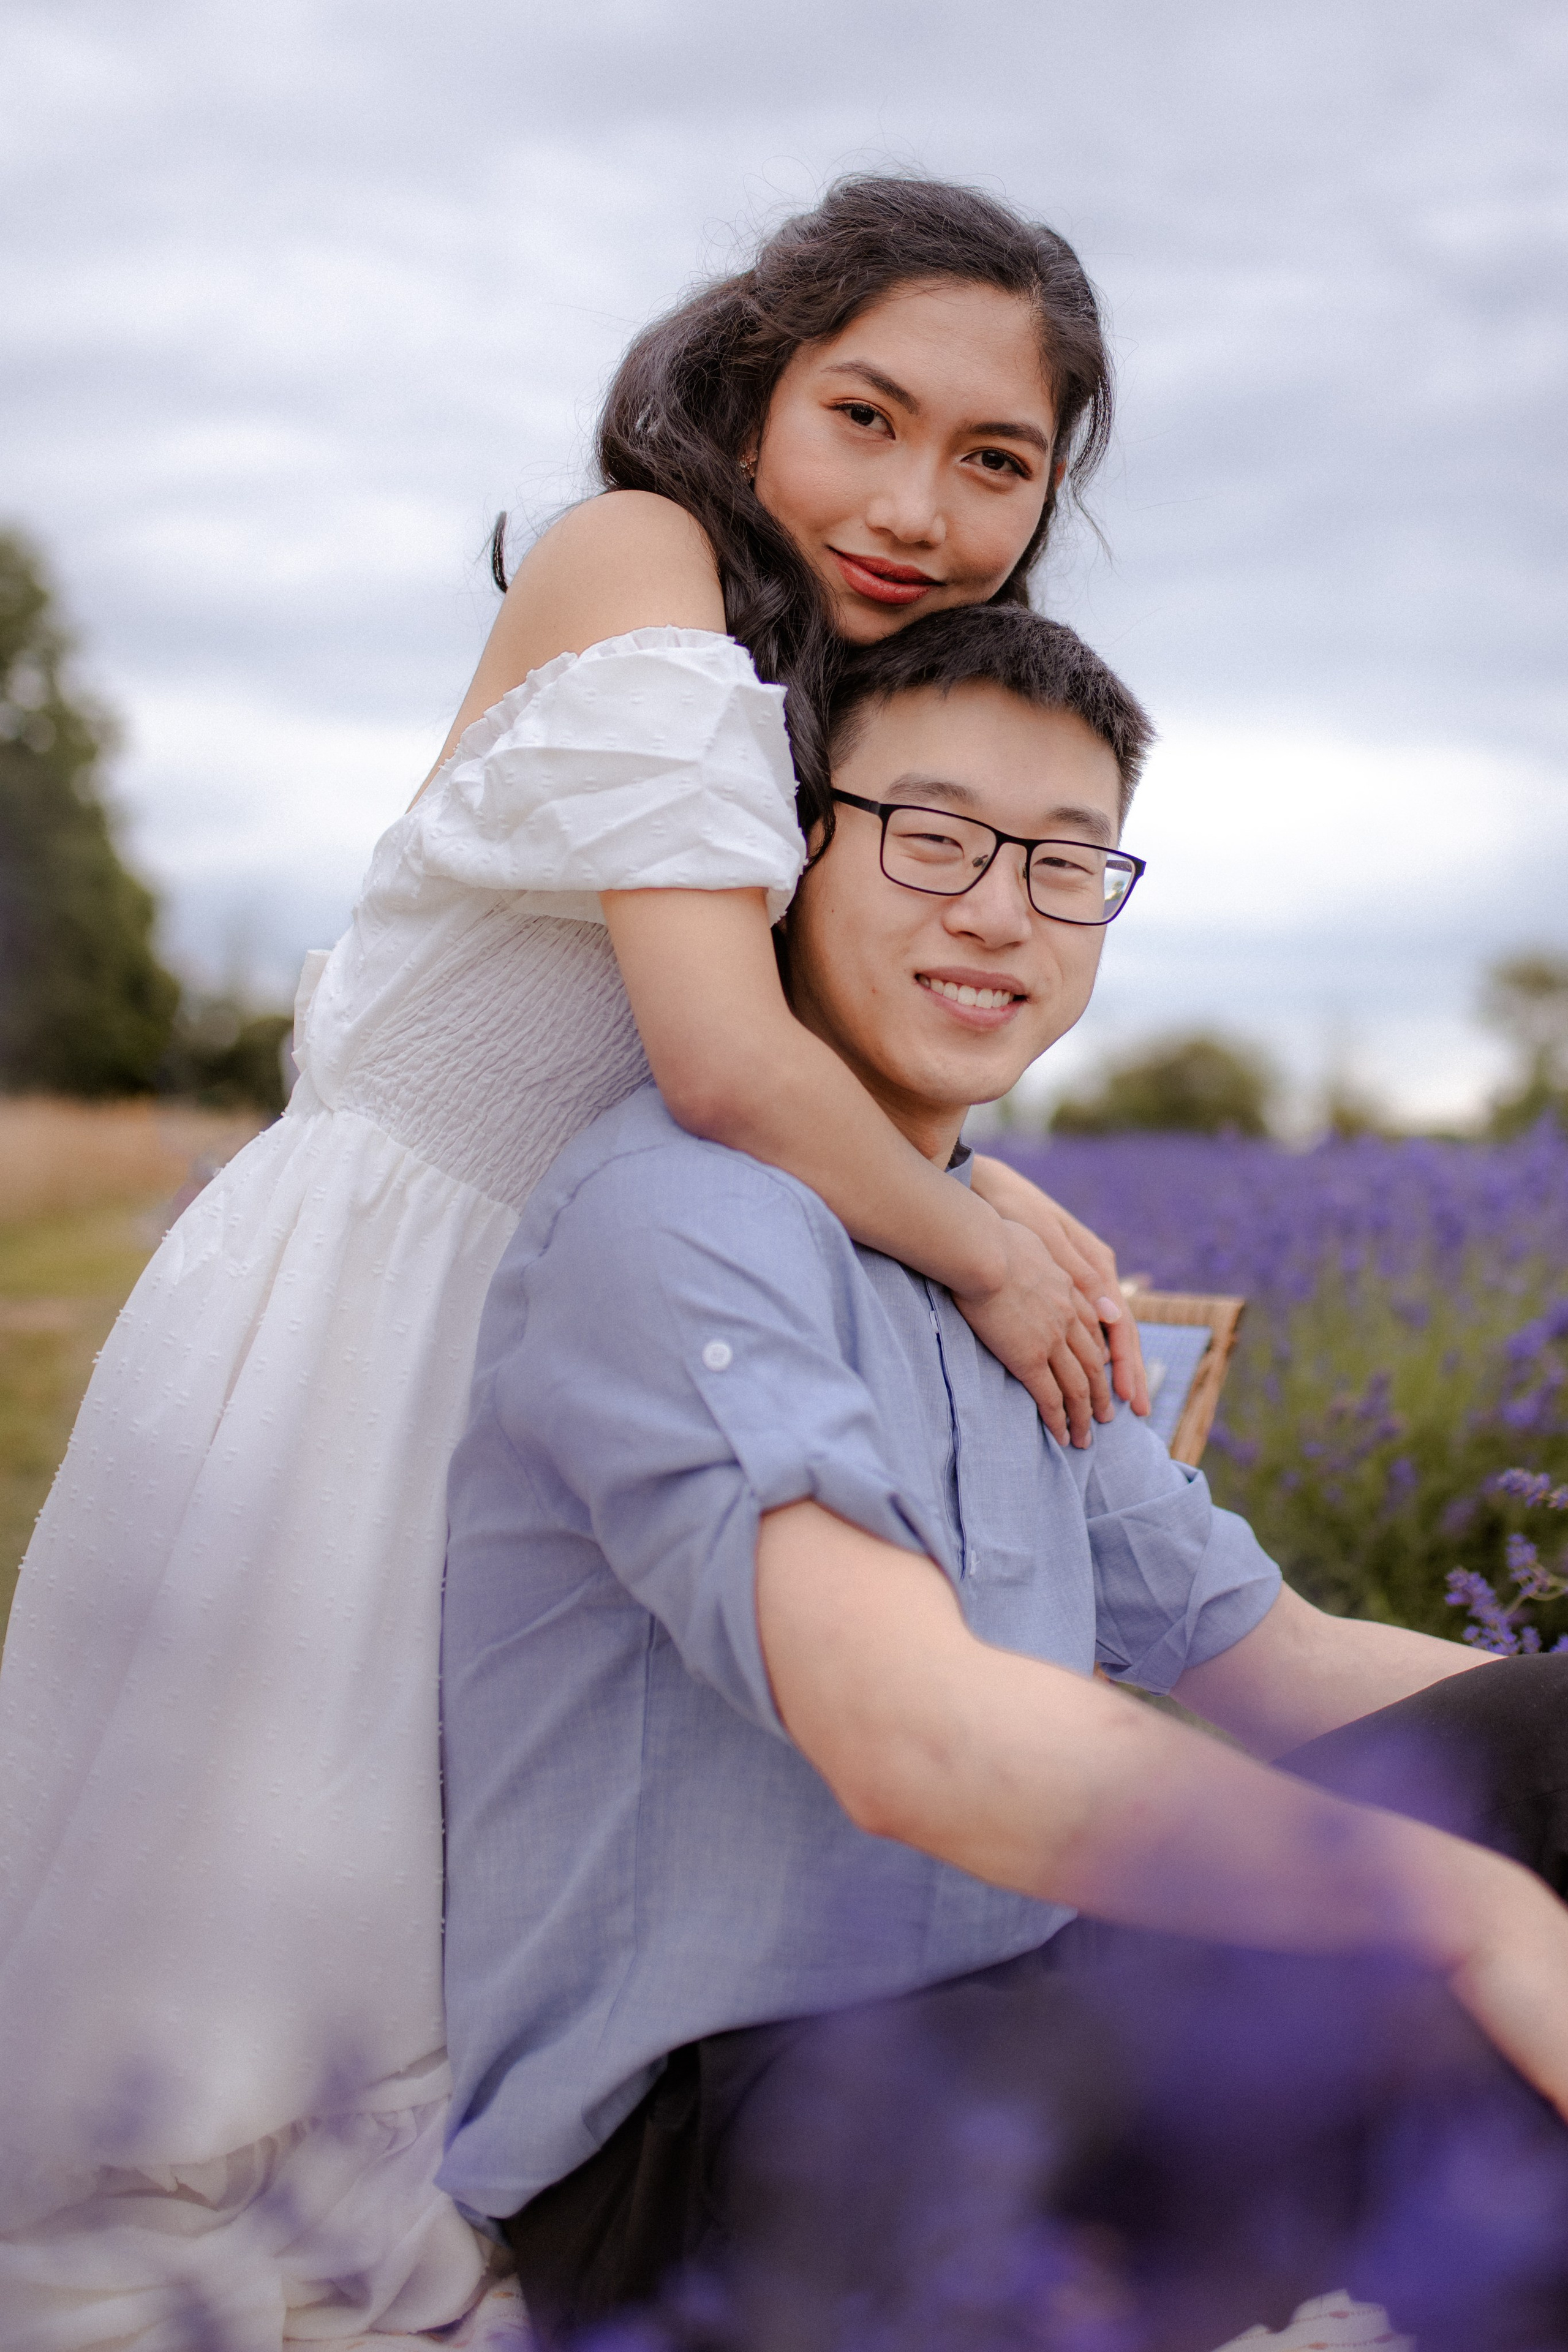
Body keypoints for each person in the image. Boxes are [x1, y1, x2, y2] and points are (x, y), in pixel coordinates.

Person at [0, 179, 1150, 2349]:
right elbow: (724, 1063)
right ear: (754, 380)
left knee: (442, 1883)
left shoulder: (831, 679)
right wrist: (985, 1262)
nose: (918, 501)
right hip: (369, 1301)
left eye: (997, 460)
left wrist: (976, 1185)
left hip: (553, 1314)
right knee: (240, 1950)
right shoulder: (643, 553)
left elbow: (826, 1058)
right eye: (866, 415)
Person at [440, 603, 1568, 2351]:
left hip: (1016, 2010)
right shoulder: (681, 1222)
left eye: (1065, 864)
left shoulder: (994, 1269)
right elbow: (910, 1738)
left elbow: (1283, 1660)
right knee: (1468, 2059)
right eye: (937, 836)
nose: (998, 910)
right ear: (795, 848)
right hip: (728, 2144)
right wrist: (1459, 1901)